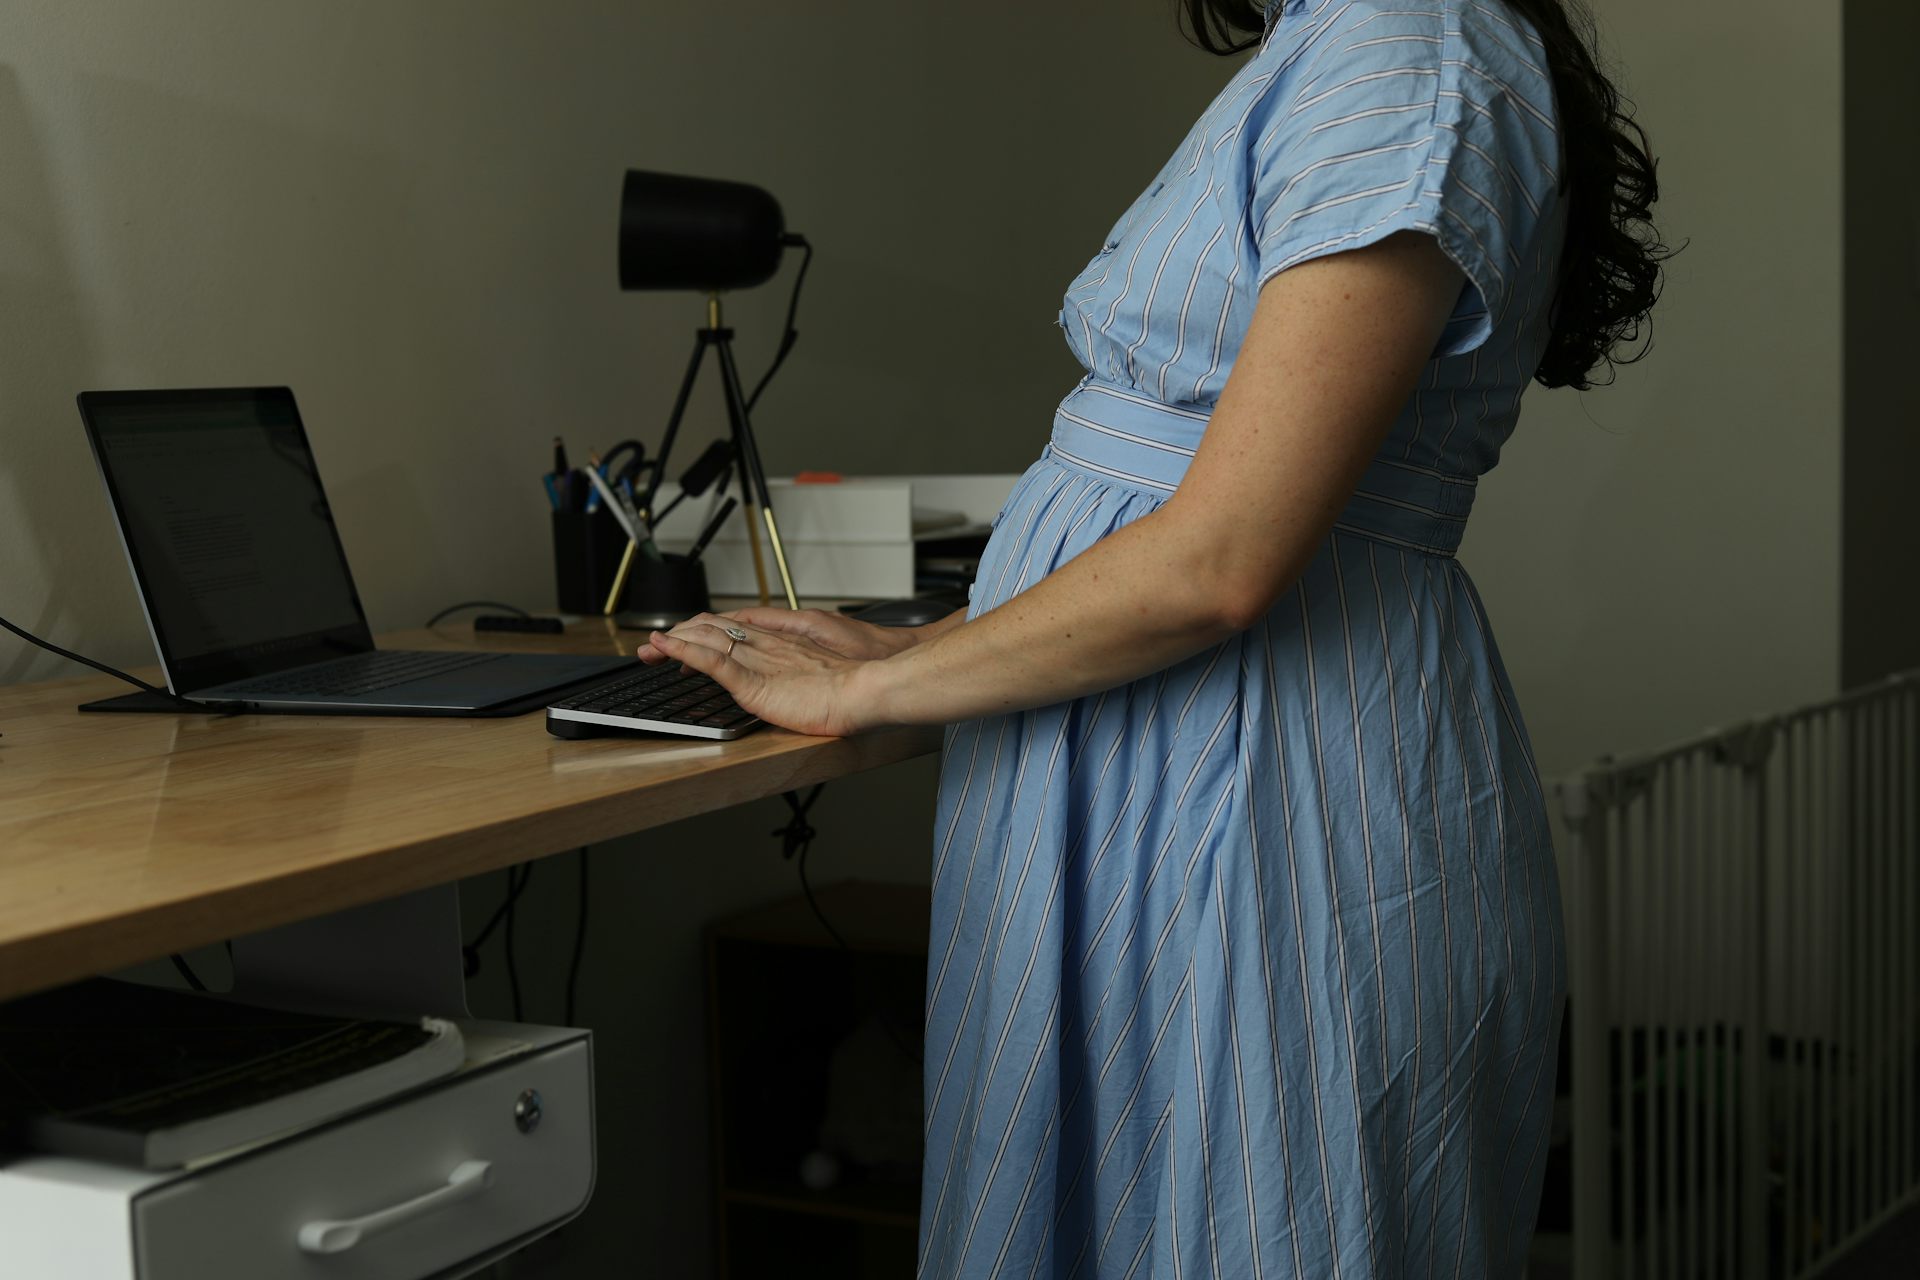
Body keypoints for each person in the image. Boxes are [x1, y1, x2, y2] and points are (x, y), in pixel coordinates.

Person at [642, 0, 1667, 1273]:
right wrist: (928, 644)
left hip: (1258, 776)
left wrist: (881, 694)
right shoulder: (1352, 35)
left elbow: (1226, 556)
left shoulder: (1413, 47)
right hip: (1167, 751)